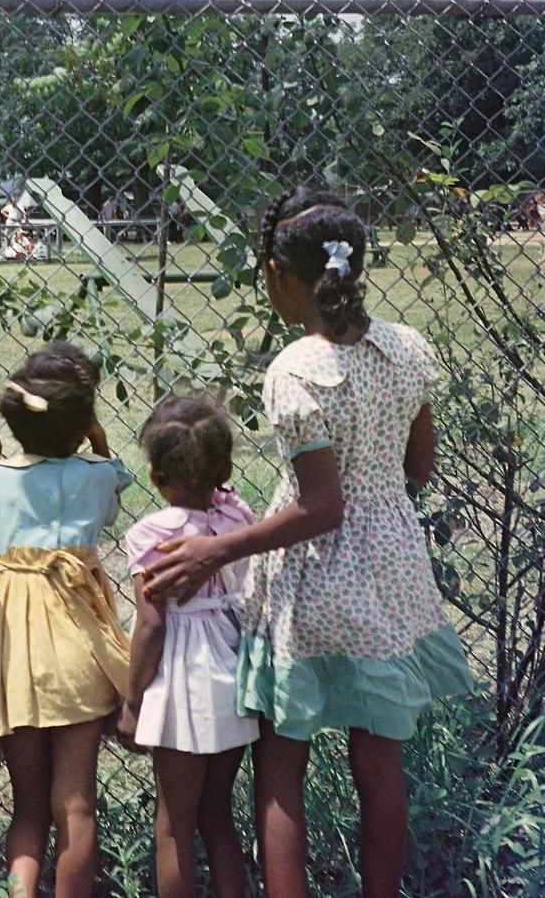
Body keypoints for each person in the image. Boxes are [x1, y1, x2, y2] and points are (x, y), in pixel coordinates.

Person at [143, 186, 473, 898]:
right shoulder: (407, 348)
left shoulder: (295, 370)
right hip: (391, 576)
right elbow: (419, 466)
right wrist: (374, 474)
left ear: (278, 273)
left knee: (282, 764)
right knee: (380, 764)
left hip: (312, 587)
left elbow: (321, 507)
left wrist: (217, 550)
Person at [0, 343, 134, 898]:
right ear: (83, 424)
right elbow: (113, 490)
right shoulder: (96, 476)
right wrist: (97, 442)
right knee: (76, 806)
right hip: (80, 655)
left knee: (27, 810)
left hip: (15, 662)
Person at [119, 395, 258, 898]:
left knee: (174, 826)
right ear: (225, 469)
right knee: (218, 815)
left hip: (184, 679)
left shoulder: (152, 535)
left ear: (155, 475)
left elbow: (152, 626)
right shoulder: (237, 517)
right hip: (233, 666)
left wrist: (133, 701)